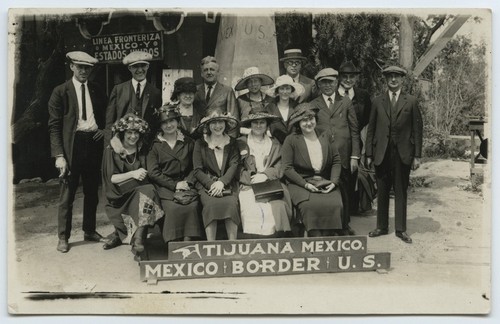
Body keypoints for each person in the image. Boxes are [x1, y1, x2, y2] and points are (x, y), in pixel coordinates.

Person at [48, 51, 107, 253]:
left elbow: (107, 115)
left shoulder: (97, 90)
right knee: (67, 194)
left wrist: (104, 130)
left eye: (87, 68)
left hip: (93, 143)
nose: (84, 71)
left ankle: (89, 230)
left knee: (92, 191)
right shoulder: (60, 91)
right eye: (80, 67)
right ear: (72, 66)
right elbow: (54, 126)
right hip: (71, 146)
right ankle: (63, 237)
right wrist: (59, 156)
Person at [366, 65, 423, 244]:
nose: (393, 80)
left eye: (396, 77)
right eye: (390, 77)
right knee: (382, 190)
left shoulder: (411, 101)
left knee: (400, 190)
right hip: (381, 152)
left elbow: (417, 130)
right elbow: (371, 129)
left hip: (403, 153)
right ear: (386, 79)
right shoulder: (377, 101)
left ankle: (401, 229)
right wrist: (368, 153)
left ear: (402, 80)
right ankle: (381, 227)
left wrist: (417, 156)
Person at [101, 114, 164, 258]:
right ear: (122, 133)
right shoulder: (111, 150)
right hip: (120, 192)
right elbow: (112, 178)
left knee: (148, 190)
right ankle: (135, 238)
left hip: (141, 189)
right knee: (148, 191)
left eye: (136, 132)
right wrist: (133, 174)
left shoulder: (142, 148)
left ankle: (138, 239)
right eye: (129, 132)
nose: (133, 136)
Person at [281, 103, 343, 237]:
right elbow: (287, 168)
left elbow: (336, 161)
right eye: (304, 120)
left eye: (311, 119)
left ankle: (329, 238)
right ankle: (315, 238)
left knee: (334, 203)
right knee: (310, 206)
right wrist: (306, 184)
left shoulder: (325, 135)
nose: (309, 123)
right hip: (301, 183)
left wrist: (333, 182)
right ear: (298, 123)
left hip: (324, 181)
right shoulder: (291, 140)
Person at [311, 67, 360, 235]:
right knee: (326, 189)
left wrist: (355, 155)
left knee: (344, 189)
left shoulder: (345, 102)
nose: (327, 86)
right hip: (324, 155)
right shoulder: (314, 104)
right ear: (318, 84)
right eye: (323, 82)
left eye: (330, 82)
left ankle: (344, 226)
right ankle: (329, 226)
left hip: (344, 154)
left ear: (336, 82)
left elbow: (354, 129)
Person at [147, 107, 202, 243]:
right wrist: (175, 185)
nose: (169, 125)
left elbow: (195, 167)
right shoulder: (155, 145)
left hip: (186, 184)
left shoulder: (189, 142)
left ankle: (188, 241)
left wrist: (187, 182)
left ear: (178, 122)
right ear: (160, 126)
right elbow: (153, 172)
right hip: (165, 187)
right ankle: (173, 244)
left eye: (172, 121)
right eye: (164, 122)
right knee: (172, 208)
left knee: (191, 206)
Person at [237, 110, 292, 236]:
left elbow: (280, 165)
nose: (258, 125)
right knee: (251, 208)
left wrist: (266, 175)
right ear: (250, 125)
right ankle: (252, 240)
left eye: (262, 122)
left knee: (278, 207)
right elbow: (236, 167)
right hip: (248, 184)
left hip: (271, 184)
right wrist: (251, 177)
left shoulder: (274, 143)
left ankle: (276, 239)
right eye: (255, 122)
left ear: (267, 125)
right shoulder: (240, 143)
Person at [192, 112, 240, 241]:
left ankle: (232, 245)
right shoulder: (200, 143)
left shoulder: (232, 142)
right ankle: (211, 245)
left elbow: (234, 165)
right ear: (208, 125)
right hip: (207, 183)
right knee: (211, 205)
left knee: (231, 204)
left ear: (226, 124)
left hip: (227, 183)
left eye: (221, 122)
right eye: (213, 123)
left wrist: (222, 182)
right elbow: (197, 170)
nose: (217, 126)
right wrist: (212, 184)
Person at [337, 61, 373, 215]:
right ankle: (338, 208)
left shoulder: (362, 95)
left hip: (356, 141)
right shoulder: (333, 93)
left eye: (352, 77)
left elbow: (368, 118)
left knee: (353, 173)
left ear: (356, 78)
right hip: (338, 140)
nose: (348, 80)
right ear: (339, 78)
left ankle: (352, 208)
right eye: (345, 76)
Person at [105, 51, 162, 145]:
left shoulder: (155, 92)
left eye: (143, 65)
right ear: (130, 68)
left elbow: (157, 122)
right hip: (122, 144)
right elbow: (109, 122)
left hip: (146, 145)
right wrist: (108, 145)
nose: (140, 70)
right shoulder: (118, 89)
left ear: (148, 66)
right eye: (136, 66)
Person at [234, 66, 274, 135]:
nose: (253, 84)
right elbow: (236, 123)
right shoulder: (240, 100)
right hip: (245, 138)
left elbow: (273, 123)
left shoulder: (270, 100)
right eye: (250, 82)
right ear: (246, 85)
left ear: (261, 82)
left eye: (256, 81)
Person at [265, 75, 305, 144]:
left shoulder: (297, 107)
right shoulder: (270, 108)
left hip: (295, 145)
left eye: (287, 88)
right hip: (276, 147)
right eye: (282, 89)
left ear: (291, 90)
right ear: (277, 91)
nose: (285, 91)